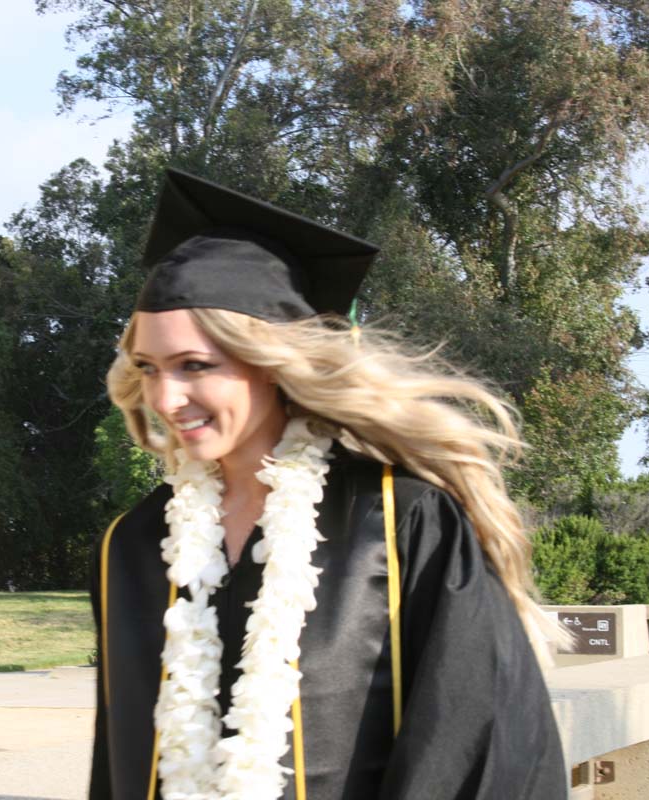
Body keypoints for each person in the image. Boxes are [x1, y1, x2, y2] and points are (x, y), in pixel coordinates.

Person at [89, 169, 566, 800]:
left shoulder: (399, 522)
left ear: (270, 364)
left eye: (195, 366)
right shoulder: (135, 544)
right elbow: (118, 764)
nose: (166, 398)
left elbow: (477, 746)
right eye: (149, 368)